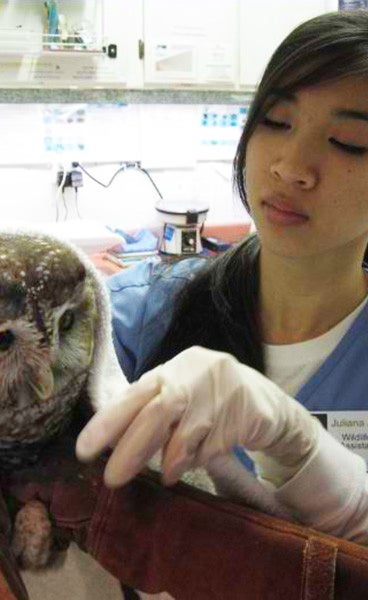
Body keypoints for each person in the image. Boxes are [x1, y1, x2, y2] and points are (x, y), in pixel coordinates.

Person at [77, 9, 368, 547]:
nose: (291, 166)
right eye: (276, 121)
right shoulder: (141, 313)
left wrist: (298, 444)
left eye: (349, 142)